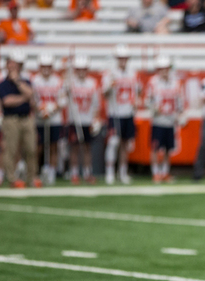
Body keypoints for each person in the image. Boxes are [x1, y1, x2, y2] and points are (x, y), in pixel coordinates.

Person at [0, 50, 38, 188]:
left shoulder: (26, 81)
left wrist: (18, 82)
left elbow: (31, 94)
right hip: (11, 119)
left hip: (26, 118)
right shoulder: (2, 84)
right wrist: (24, 98)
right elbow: (7, 101)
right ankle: (12, 178)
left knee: (31, 149)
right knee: (11, 150)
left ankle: (31, 178)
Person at [102, 44, 139, 184]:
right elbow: (105, 94)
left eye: (125, 58)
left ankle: (123, 172)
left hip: (128, 112)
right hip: (115, 112)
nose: (123, 61)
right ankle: (110, 172)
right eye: (121, 58)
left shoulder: (132, 73)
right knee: (113, 143)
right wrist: (110, 86)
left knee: (125, 144)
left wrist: (135, 103)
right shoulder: (110, 74)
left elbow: (135, 92)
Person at [146, 55, 184, 182]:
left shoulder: (175, 82)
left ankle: (165, 172)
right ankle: (156, 172)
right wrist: (154, 108)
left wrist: (180, 114)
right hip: (158, 120)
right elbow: (147, 100)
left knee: (168, 149)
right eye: (162, 69)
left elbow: (179, 101)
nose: (164, 71)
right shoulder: (153, 82)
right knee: (155, 148)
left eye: (166, 68)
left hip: (170, 120)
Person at [32, 53, 66, 185]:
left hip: (54, 119)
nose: (46, 69)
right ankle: (36, 171)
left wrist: (52, 109)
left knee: (53, 146)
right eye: (43, 66)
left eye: (48, 66)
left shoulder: (58, 81)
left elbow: (62, 100)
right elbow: (32, 99)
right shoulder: (34, 80)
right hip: (39, 119)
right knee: (38, 147)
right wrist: (40, 109)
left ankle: (51, 171)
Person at [66, 55, 101, 185]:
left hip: (88, 120)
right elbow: (63, 96)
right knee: (74, 148)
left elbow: (96, 104)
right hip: (75, 120)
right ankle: (74, 173)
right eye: (79, 69)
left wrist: (95, 119)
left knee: (87, 148)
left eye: (83, 69)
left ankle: (87, 173)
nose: (81, 72)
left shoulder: (92, 83)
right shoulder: (70, 82)